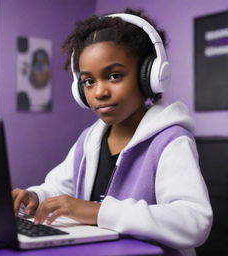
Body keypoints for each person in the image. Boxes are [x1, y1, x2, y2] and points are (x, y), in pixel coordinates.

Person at [12, 8, 213, 256]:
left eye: (114, 76)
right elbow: (60, 188)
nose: (99, 92)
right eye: (88, 81)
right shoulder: (90, 139)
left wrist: (97, 212)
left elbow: (194, 221)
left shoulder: (170, 140)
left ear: (148, 76)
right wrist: (36, 196)